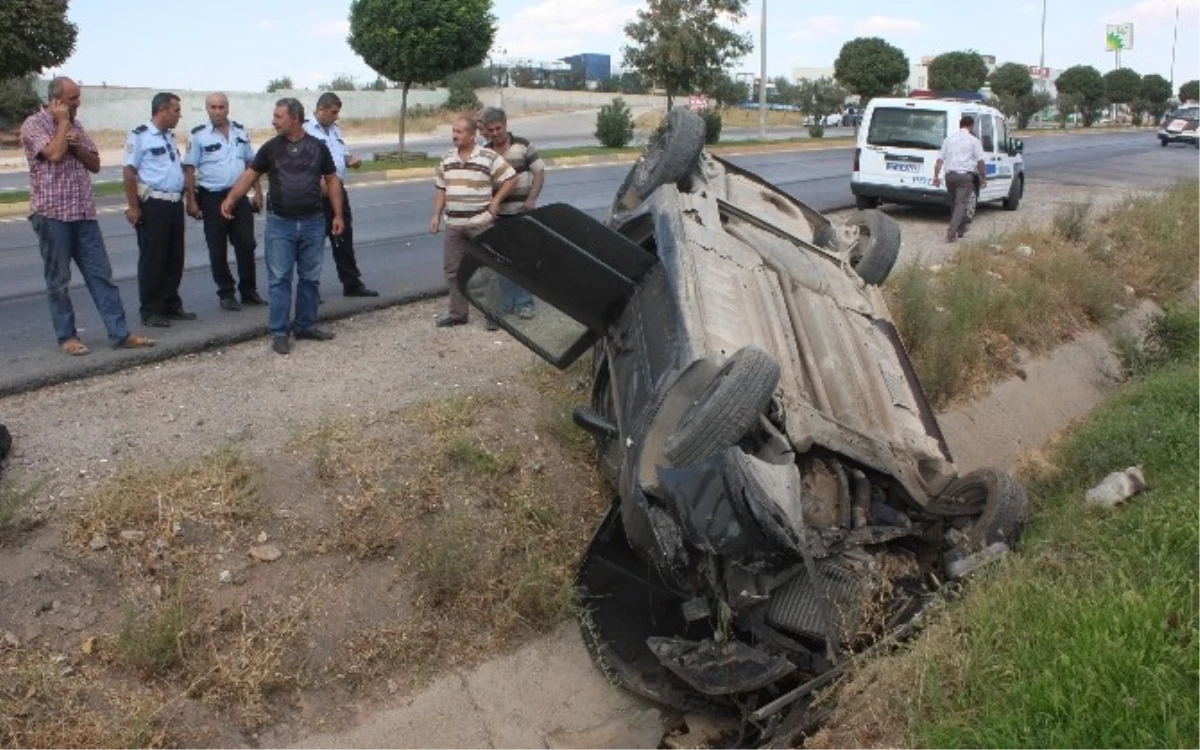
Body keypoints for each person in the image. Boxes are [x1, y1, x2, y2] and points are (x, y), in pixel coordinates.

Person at [20, 76, 155, 355]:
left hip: (83, 213)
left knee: (101, 275)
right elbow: (55, 154)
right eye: (72, 100)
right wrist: (63, 125)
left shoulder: (78, 126)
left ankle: (120, 333)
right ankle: (67, 337)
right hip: (52, 214)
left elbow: (94, 163)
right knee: (58, 280)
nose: (78, 104)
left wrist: (77, 143)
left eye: (78, 98)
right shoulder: (34, 125)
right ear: (56, 101)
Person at [220, 98, 343, 355]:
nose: (273, 121)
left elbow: (331, 181)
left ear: (294, 119)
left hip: (313, 222)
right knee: (279, 279)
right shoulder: (270, 148)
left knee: (310, 278)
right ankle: (279, 332)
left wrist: (338, 214)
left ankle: (306, 325)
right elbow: (250, 175)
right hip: (280, 225)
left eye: (278, 117)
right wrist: (231, 199)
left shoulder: (318, 147)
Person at [428, 116, 516, 328]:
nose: (454, 135)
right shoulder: (447, 158)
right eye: (453, 131)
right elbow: (441, 188)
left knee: (487, 269)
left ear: (471, 135)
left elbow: (510, 178)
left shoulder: (488, 156)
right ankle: (458, 313)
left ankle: (493, 316)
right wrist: (435, 215)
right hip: (454, 225)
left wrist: (496, 201)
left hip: (480, 223)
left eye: (459, 132)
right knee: (453, 270)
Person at [184, 93, 265, 311]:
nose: (217, 111)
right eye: (213, 107)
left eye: (221, 107)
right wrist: (191, 200)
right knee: (217, 247)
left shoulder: (240, 131)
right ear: (207, 109)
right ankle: (226, 293)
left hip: (239, 196)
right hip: (211, 196)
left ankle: (249, 291)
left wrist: (257, 192)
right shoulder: (198, 135)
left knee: (247, 244)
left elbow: (251, 163)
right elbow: (190, 169)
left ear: (228, 108)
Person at [123, 92, 193, 327]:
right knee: (153, 258)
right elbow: (129, 172)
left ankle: (170, 304)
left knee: (174, 257)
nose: (179, 115)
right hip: (153, 204)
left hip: (173, 203)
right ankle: (151, 309)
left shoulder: (168, 137)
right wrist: (133, 206)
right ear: (162, 110)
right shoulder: (141, 136)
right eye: (176, 111)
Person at [303, 92, 377, 298]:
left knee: (343, 238)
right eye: (334, 112)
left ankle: (352, 283)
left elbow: (338, 155)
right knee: (313, 243)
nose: (337, 116)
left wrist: (350, 160)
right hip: (315, 194)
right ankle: (310, 292)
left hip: (337, 191)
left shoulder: (334, 130)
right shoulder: (305, 130)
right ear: (321, 109)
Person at [480, 107, 546, 328]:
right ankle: (508, 303)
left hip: (522, 213)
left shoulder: (523, 145)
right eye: (491, 130)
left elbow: (539, 172)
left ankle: (525, 303)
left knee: (523, 260)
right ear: (486, 131)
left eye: (498, 128)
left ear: (506, 125)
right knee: (503, 262)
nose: (496, 133)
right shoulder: (485, 151)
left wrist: (532, 199)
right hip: (498, 216)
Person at [932, 115, 988, 243]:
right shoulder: (973, 141)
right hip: (965, 176)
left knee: (955, 203)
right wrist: (983, 177)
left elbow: (940, 160)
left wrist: (936, 176)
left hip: (950, 176)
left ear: (960, 125)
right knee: (961, 204)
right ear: (971, 126)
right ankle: (951, 232)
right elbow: (980, 162)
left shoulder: (948, 139)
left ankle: (961, 229)